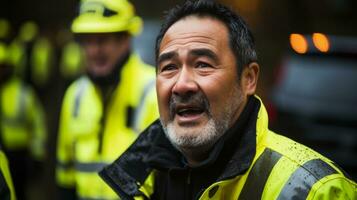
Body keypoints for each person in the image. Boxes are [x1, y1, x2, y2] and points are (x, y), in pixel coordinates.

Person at [99, 1, 357, 199]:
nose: (182, 84)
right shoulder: (140, 179)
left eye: (202, 64)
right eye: (169, 67)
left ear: (248, 79)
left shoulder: (317, 190)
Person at [55, 0, 158, 199]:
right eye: (87, 41)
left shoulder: (154, 91)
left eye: (102, 40)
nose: (94, 51)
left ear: (126, 38)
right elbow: (65, 173)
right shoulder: (75, 95)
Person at [1, 22, 47, 200]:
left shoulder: (24, 93)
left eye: (2, 67)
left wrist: (37, 155)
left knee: (19, 191)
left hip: (18, 153)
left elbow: (38, 124)